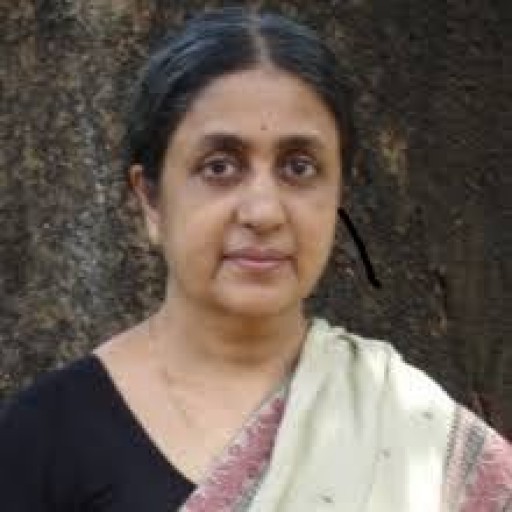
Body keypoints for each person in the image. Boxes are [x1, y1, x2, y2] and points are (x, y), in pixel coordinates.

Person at [0, 7, 510, 511]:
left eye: (299, 167)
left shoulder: (413, 428)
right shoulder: (43, 440)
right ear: (150, 200)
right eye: (219, 166)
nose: (264, 212)